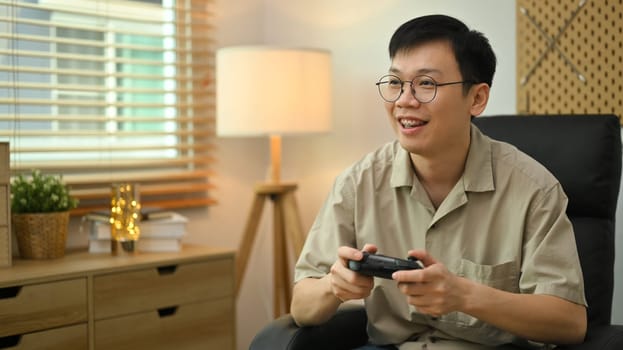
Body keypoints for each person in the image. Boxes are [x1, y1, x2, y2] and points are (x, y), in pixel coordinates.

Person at [290, 14, 587, 349]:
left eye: (426, 84)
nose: (404, 100)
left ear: (476, 99)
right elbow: (301, 305)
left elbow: (569, 321)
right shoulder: (358, 182)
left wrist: (466, 296)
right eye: (395, 82)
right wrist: (334, 286)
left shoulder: (534, 189)